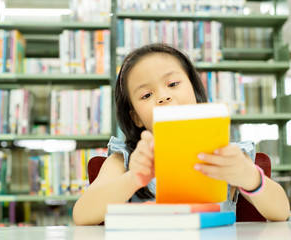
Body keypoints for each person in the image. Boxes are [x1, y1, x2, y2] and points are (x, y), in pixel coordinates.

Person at [72, 43, 290, 225]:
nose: (163, 96)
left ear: (195, 90)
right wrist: (134, 178)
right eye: (147, 94)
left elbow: (282, 212)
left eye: (173, 84)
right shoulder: (125, 160)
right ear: (136, 117)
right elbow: (82, 215)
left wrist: (247, 175)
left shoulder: (227, 154)